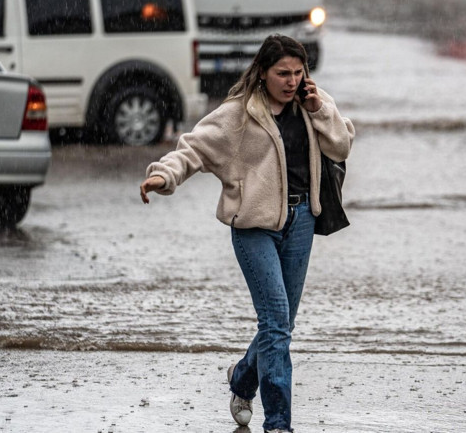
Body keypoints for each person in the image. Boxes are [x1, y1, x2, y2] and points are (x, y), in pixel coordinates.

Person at [139, 34, 354, 433]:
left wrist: (318, 109)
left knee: (281, 325)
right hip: (254, 228)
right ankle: (278, 424)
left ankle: (241, 379)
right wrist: (162, 175)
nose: (291, 81)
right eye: (282, 73)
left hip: (302, 219)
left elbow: (341, 145)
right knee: (275, 321)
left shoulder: (313, 102)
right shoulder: (240, 113)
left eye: (297, 73)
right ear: (263, 72)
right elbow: (194, 149)